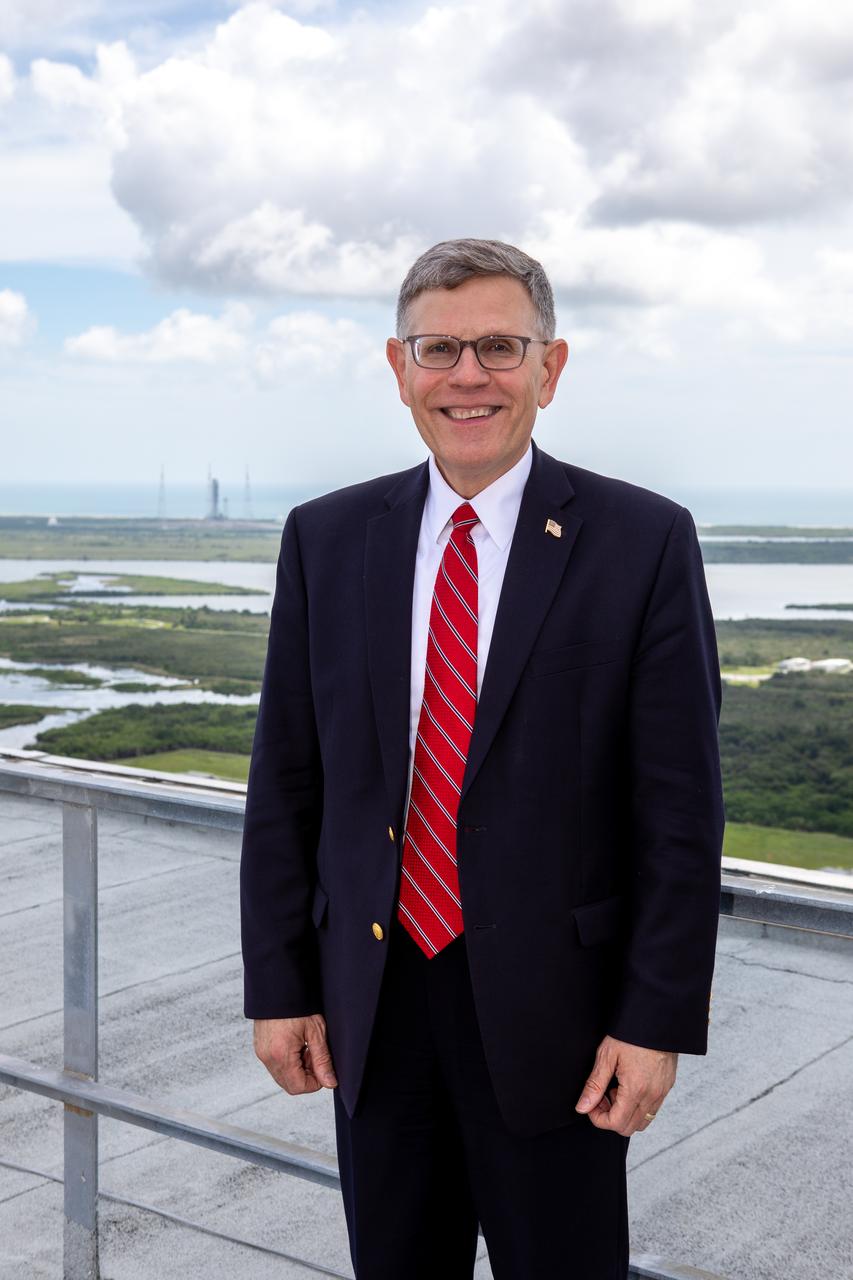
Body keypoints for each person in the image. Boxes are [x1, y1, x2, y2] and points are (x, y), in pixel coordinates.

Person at [240, 238, 725, 1279]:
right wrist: (277, 984)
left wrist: (654, 1020)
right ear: (398, 367)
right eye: (440, 349)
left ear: (550, 368)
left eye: (500, 346)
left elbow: (678, 812)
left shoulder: (641, 539)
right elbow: (288, 778)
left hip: (564, 1024)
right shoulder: (324, 538)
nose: (469, 376)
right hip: (371, 1004)